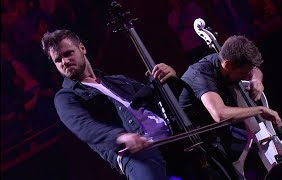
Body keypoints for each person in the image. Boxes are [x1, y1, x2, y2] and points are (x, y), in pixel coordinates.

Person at [41, 29, 181, 180]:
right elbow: (83, 126)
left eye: (68, 53)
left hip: (172, 137)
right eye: (58, 60)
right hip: (135, 154)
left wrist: (169, 78)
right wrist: (120, 137)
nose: (64, 62)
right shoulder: (65, 97)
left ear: (82, 48)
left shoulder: (118, 80)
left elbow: (157, 96)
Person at [179, 35, 282, 179]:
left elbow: (254, 69)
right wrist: (260, 110)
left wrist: (256, 78)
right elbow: (219, 114)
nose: (245, 76)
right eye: (242, 73)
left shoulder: (226, 60)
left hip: (221, 134)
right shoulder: (200, 74)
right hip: (197, 145)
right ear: (228, 65)